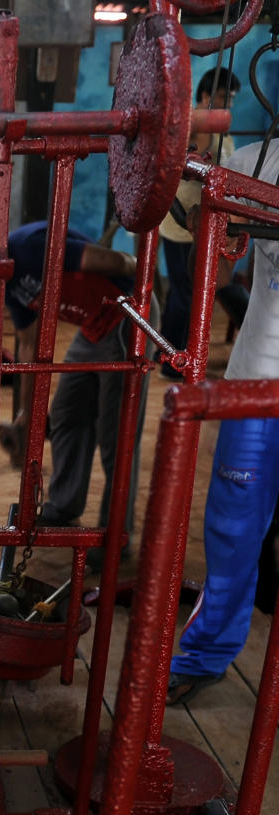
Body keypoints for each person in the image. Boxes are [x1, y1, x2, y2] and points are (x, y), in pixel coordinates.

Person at [0, 220, 151, 552]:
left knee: (115, 433)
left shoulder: (29, 247)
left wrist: (143, 294)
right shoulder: (6, 283)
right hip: (92, 327)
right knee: (66, 412)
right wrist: (26, 419)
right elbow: (30, 348)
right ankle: (63, 507)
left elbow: (119, 262)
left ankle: (115, 538)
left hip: (127, 317)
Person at [168, 134, 279, 704]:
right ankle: (207, 653)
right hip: (258, 376)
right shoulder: (260, 160)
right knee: (233, 528)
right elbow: (175, 208)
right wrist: (200, 204)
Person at [158, 67, 247, 376]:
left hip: (208, 228)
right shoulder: (191, 124)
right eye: (222, 96)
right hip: (179, 224)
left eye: (230, 98)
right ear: (206, 95)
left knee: (204, 289)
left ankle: (169, 356)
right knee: (185, 294)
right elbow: (166, 164)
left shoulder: (222, 130)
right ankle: (170, 362)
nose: (227, 103)